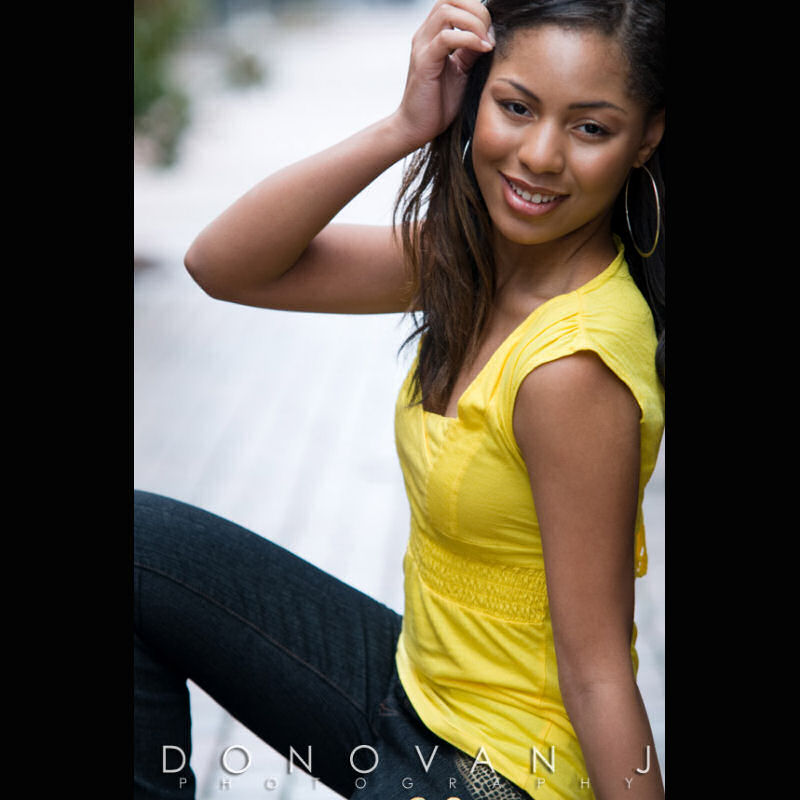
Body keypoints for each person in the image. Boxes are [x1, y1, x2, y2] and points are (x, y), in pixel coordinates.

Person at [134, 0, 666, 798]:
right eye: (516, 107)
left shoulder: (573, 369)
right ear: (475, 95)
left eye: (590, 128)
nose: (540, 156)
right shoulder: (474, 265)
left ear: (646, 139)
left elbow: (596, 676)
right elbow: (223, 265)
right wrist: (403, 126)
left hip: (496, 773)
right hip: (413, 691)